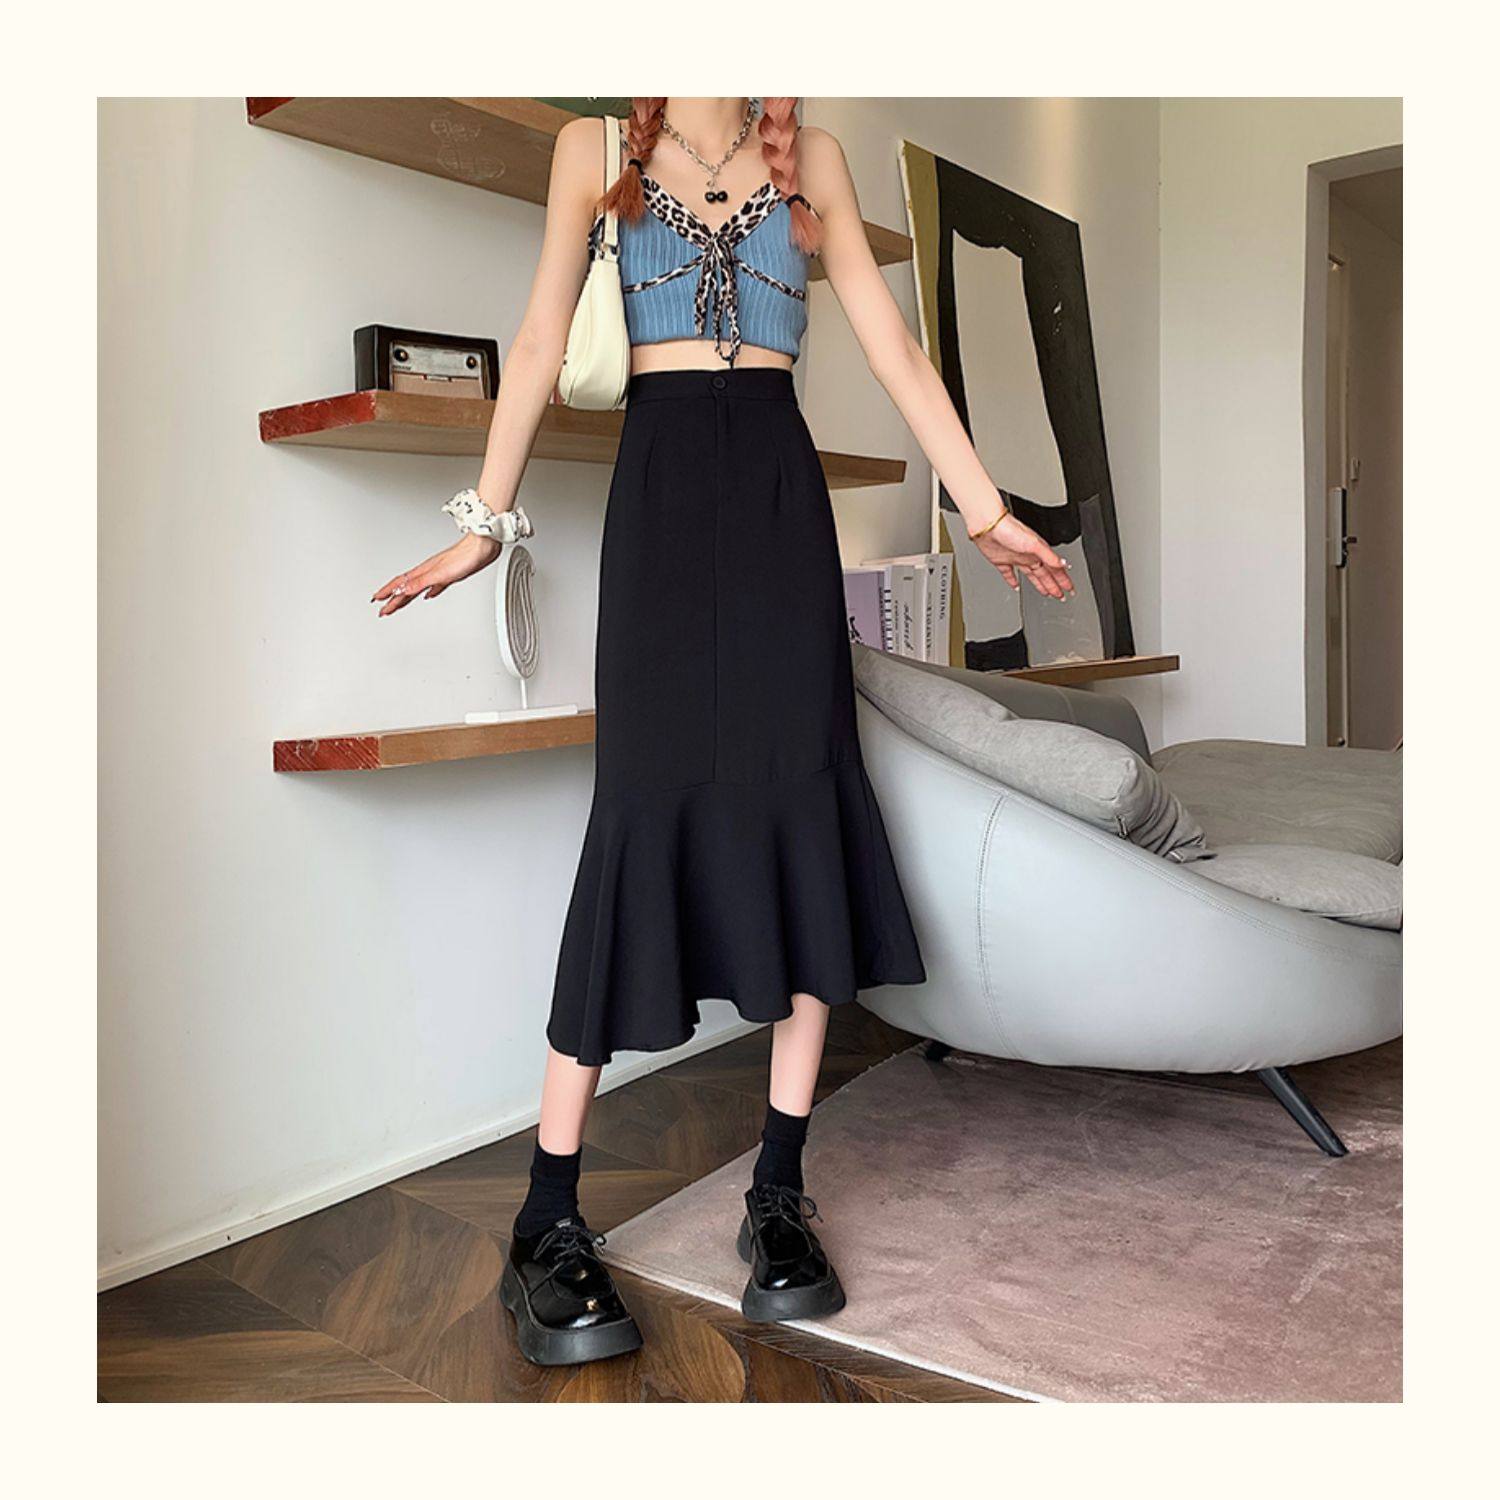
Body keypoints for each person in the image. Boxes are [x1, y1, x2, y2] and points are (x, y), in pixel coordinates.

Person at [373, 97, 1074, 1367]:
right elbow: (538, 338)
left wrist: (983, 511)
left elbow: (895, 349)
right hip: (657, 499)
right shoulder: (592, 149)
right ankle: (544, 1221)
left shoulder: (815, 159)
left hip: (777, 502)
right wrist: (485, 521)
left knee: (801, 800)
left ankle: (778, 1192)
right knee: (637, 814)